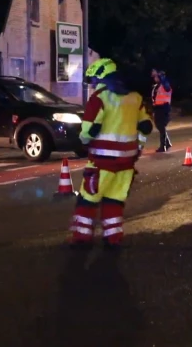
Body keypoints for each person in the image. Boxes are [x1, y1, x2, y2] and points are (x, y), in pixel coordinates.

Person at [69, 58, 154, 249]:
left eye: (93, 81)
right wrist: (137, 148)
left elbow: (88, 130)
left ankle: (81, 238)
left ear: (101, 78)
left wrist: (82, 140)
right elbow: (146, 127)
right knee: (114, 200)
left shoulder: (99, 98)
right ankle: (113, 237)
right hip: (127, 163)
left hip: (101, 162)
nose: (92, 86)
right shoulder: (135, 98)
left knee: (87, 200)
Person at [151, 69, 173, 152]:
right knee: (159, 126)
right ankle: (166, 143)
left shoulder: (165, 85)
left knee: (161, 126)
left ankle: (163, 145)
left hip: (164, 107)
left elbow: (166, 87)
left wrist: (159, 75)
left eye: (156, 77)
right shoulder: (157, 86)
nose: (154, 78)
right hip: (158, 108)